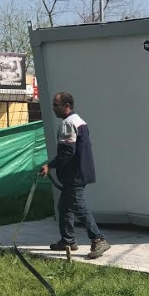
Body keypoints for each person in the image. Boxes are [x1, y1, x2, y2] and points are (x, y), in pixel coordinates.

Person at [39, 92, 110, 259]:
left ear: (66, 106)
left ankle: (99, 239)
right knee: (64, 208)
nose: (53, 108)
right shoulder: (79, 121)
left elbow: (67, 152)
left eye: (56, 105)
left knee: (79, 207)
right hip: (79, 172)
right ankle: (67, 241)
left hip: (74, 175)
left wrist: (49, 166)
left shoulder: (68, 123)